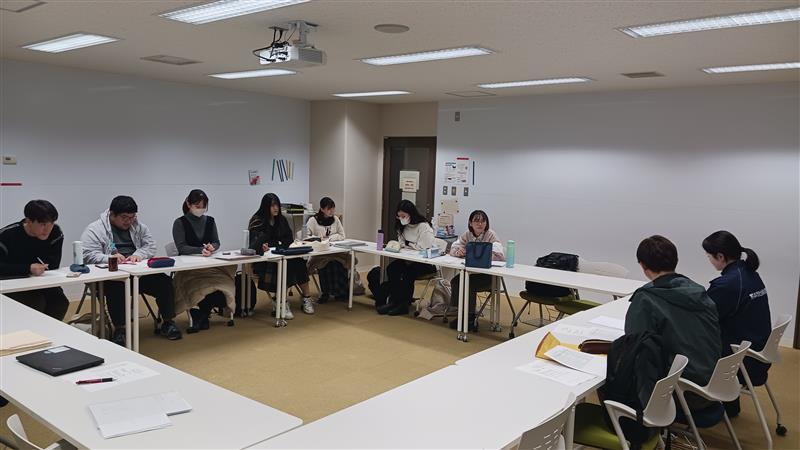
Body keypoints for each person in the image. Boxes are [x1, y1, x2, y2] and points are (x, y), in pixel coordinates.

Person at [625, 235, 720, 409]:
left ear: (642, 266)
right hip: (714, 384)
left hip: (679, 393)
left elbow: (632, 347)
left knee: (613, 377)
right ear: (675, 260)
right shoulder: (697, 291)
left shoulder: (646, 299)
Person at [82, 195, 181, 345]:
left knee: (164, 282)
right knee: (117, 287)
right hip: (111, 275)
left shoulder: (139, 227)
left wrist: (138, 255)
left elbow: (150, 246)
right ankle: (120, 330)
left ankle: (168, 322)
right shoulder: (95, 229)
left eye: (132, 217)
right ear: (112, 214)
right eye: (124, 217)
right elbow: (88, 254)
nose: (128, 221)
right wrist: (110, 258)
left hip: (137, 273)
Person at [703, 230, 772, 416]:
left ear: (720, 256)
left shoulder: (727, 284)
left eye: (709, 256)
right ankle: (729, 405)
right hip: (757, 352)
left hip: (741, 361)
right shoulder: (750, 273)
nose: (709, 260)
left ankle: (696, 407)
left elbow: (703, 318)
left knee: (683, 344)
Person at [172, 189, 235, 333]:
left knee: (225, 285)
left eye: (203, 206)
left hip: (209, 266)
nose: (200, 209)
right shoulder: (180, 223)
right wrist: (200, 250)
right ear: (189, 204)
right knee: (198, 286)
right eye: (197, 206)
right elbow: (181, 247)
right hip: (189, 269)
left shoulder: (210, 221)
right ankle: (200, 314)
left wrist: (213, 247)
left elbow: (216, 242)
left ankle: (202, 314)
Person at [0, 200, 69, 320]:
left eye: (52, 223)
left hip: (41, 281)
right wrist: (28, 268)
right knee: (36, 302)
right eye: (42, 224)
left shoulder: (56, 233)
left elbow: (53, 264)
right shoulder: (7, 235)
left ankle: (49, 330)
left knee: (60, 302)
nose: (48, 229)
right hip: (12, 281)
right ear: (29, 221)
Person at [248, 193, 315, 317]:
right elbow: (254, 243)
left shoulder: (281, 219)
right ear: (266, 206)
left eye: (277, 205)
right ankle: (282, 301)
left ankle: (306, 297)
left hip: (283, 254)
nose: (276, 208)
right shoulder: (257, 221)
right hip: (265, 260)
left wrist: (275, 243)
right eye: (272, 205)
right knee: (283, 266)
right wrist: (270, 244)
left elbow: (289, 239)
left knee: (299, 263)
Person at [377, 200, 443, 316]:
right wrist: (411, 245)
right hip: (408, 259)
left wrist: (408, 244)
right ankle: (395, 301)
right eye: (399, 216)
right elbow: (401, 243)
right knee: (392, 268)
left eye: (404, 216)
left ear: (411, 214)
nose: (401, 219)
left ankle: (403, 304)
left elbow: (423, 247)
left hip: (426, 263)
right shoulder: (401, 226)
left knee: (406, 274)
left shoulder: (423, 226)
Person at [447, 210, 505, 331]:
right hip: (471, 273)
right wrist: (459, 252)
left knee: (469, 284)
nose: (480, 224)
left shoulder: (490, 235)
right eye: (476, 221)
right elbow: (453, 248)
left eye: (483, 221)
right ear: (470, 223)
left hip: (488, 276)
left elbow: (500, 256)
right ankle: (460, 313)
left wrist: (479, 255)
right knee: (455, 282)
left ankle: (470, 317)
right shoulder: (467, 234)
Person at [305, 197, 363, 302]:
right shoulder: (313, 220)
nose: (331, 211)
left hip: (336, 252)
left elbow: (342, 235)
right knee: (325, 263)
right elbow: (306, 237)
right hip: (321, 253)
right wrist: (319, 239)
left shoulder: (335, 219)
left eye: (333, 208)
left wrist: (329, 238)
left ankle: (340, 292)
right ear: (322, 209)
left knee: (339, 262)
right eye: (329, 209)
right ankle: (325, 292)